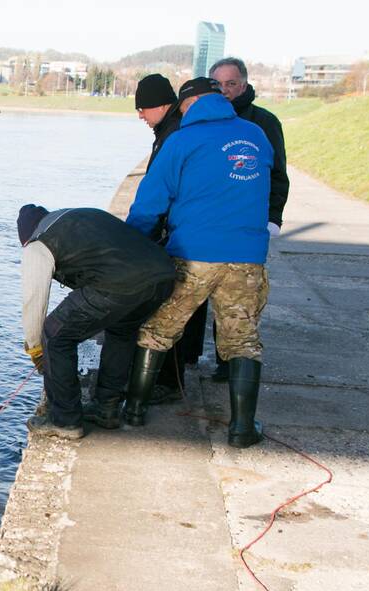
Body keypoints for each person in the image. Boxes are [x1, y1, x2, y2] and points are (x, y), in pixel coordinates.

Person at [124, 78, 273, 448]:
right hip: (247, 256)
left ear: (189, 104)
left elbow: (149, 203)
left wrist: (129, 242)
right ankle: (241, 429)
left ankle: (134, 410)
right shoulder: (256, 135)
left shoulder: (182, 140)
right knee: (242, 341)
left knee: (158, 329)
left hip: (194, 254)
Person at [19, 205, 176, 438]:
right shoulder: (79, 217)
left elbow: (33, 301)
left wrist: (35, 348)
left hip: (120, 282)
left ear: (25, 237)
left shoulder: (38, 243)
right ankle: (107, 408)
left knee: (55, 335)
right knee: (122, 330)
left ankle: (65, 420)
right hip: (163, 276)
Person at [209, 56, 290, 382]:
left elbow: (279, 175)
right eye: (220, 85)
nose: (226, 91)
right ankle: (189, 360)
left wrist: (273, 218)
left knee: (238, 299)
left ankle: (227, 363)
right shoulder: (207, 120)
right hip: (210, 221)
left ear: (244, 85)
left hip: (247, 226)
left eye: (232, 84)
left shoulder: (264, 123)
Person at [134, 73, 208, 405]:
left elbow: (157, 193)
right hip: (198, 233)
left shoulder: (175, 135)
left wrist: (135, 237)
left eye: (143, 108)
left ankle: (162, 384)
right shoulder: (170, 130)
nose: (140, 115)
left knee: (169, 313)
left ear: (163, 104)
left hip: (179, 235)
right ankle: (176, 372)